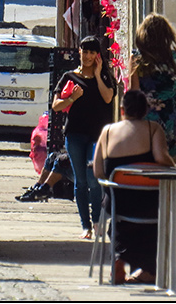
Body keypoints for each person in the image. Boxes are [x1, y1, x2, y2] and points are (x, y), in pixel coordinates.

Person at [93, 89, 174, 285]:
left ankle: (119, 257)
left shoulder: (107, 131)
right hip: (149, 204)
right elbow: (161, 158)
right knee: (155, 221)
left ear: (122, 110)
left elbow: (97, 171)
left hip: (118, 202)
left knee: (120, 221)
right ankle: (147, 270)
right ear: (145, 111)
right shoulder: (152, 129)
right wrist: (174, 165)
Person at [51, 35, 116, 239]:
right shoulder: (69, 78)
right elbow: (56, 106)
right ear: (79, 52)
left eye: (91, 52)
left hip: (98, 136)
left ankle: (97, 221)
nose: (87, 56)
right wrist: (72, 97)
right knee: (80, 181)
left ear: (97, 55)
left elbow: (108, 98)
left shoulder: (105, 77)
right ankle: (85, 226)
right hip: (75, 135)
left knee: (94, 179)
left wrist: (97, 75)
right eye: (84, 51)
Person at [128, 14, 176, 158]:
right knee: (172, 171)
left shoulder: (137, 59)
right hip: (171, 124)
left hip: (145, 125)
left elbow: (135, 95)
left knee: (147, 171)